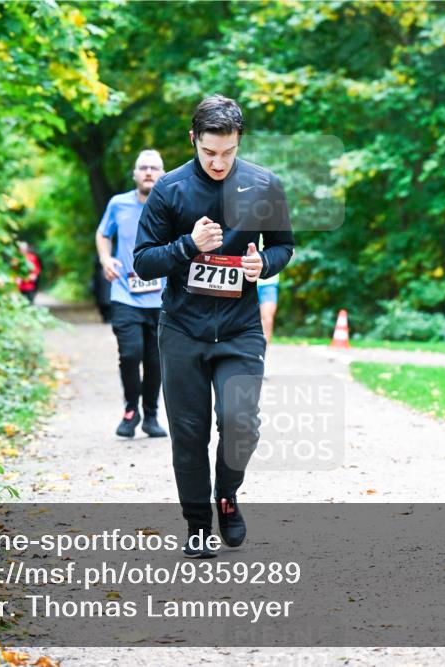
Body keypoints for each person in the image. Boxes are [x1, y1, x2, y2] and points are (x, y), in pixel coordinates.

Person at [133, 95, 295, 558]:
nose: (219, 162)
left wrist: (262, 263)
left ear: (239, 141)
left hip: (241, 329)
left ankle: (227, 495)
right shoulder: (170, 189)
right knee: (189, 432)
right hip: (183, 329)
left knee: (241, 424)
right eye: (209, 153)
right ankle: (199, 525)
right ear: (193, 140)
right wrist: (188, 245)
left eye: (228, 152)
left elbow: (284, 247)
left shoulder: (265, 185)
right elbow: (143, 261)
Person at [96, 149, 168, 439]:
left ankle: (150, 415)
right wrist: (105, 259)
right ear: (135, 173)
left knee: (155, 361)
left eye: (154, 168)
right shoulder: (118, 204)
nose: (149, 172)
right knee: (130, 353)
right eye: (143, 167)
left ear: (162, 174)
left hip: (162, 297)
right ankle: (130, 410)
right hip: (125, 294)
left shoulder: (170, 204)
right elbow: (103, 233)